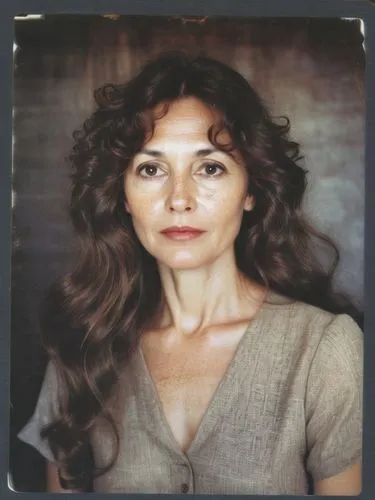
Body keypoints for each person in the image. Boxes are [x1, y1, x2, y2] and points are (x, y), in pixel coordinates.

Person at [17, 51, 363, 495]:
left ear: (251, 190)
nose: (179, 199)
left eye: (210, 167)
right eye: (151, 168)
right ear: (123, 195)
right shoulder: (83, 350)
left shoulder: (327, 351)